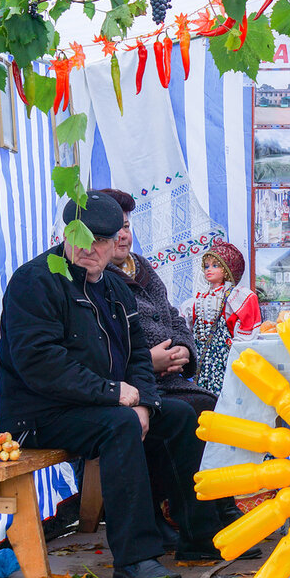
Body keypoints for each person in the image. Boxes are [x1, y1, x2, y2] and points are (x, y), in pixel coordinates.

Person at [0, 191, 243, 578]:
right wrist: (116, 394)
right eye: (81, 236)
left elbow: (138, 359)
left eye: (101, 240)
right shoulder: (35, 281)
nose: (90, 248)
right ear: (66, 233)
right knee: (120, 425)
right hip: (40, 413)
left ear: (115, 243)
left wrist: (144, 401)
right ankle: (135, 557)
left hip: (100, 404)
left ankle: (200, 536)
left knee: (180, 415)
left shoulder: (113, 286)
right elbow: (39, 364)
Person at [98, 188, 245, 525]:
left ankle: (215, 504)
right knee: (194, 412)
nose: (122, 235)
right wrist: (147, 362)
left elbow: (173, 315)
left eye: (126, 226)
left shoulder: (142, 266)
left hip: (170, 379)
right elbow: (101, 342)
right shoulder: (98, 277)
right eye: (113, 229)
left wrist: (184, 349)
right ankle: (192, 516)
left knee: (218, 409)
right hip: (132, 385)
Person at [181, 243, 261, 396]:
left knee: (225, 384)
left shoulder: (235, 296)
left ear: (226, 269)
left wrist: (236, 344)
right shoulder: (199, 299)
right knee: (203, 383)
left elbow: (247, 321)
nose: (209, 269)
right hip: (203, 350)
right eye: (206, 266)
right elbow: (188, 323)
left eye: (215, 265)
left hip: (223, 351)